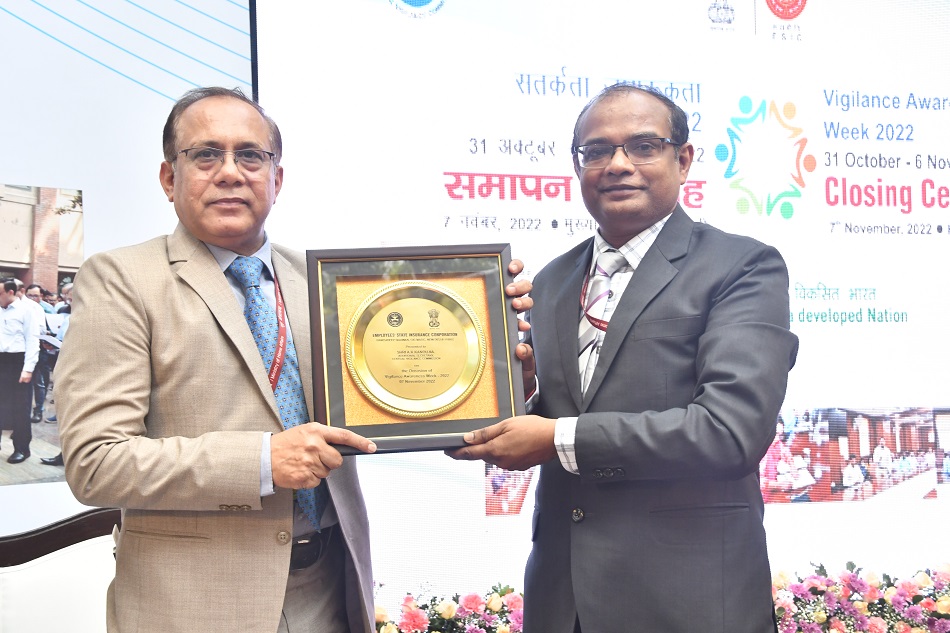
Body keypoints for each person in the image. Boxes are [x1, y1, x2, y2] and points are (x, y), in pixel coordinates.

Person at [449, 84, 798, 633]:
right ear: (577, 166)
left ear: (684, 159)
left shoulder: (741, 266)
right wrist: (502, 391)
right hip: (563, 604)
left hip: (687, 604)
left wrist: (555, 437)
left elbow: (730, 432)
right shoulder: (553, 280)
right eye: (596, 151)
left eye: (643, 146)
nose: (616, 165)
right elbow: (558, 414)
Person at [59, 87, 380, 633]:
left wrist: (498, 355)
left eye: (250, 155)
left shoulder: (325, 282)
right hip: (196, 603)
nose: (230, 172)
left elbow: (393, 394)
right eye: (206, 154)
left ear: (276, 179)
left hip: (331, 590)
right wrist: (261, 462)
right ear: (169, 178)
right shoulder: (122, 280)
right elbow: (96, 462)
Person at [1, 278, 41, 464]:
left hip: (18, 362)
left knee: (20, 407)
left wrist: (28, 369)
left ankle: (22, 448)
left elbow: (33, 341)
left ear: (11, 292)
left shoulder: (27, 310)